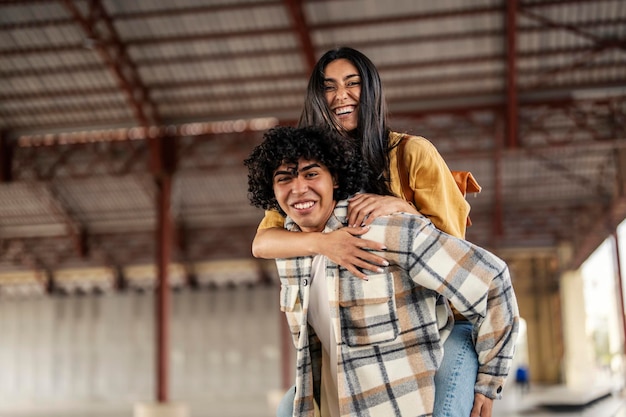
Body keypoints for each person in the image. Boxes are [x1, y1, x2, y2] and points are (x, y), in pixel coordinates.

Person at [252, 47, 482, 416]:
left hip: (441, 326)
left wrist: (403, 207)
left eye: (352, 83)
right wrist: (325, 244)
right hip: (363, 335)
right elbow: (263, 242)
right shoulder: (308, 172)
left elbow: (454, 248)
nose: (341, 95)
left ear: (371, 90)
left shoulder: (411, 154)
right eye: (329, 87)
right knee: (287, 410)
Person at [244, 125, 519, 417]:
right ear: (271, 190)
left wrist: (489, 383)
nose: (298, 188)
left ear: (334, 179)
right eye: (284, 179)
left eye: (311, 174)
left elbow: (492, 281)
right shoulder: (292, 253)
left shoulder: (380, 229)